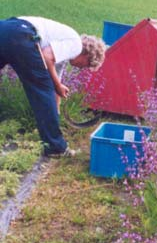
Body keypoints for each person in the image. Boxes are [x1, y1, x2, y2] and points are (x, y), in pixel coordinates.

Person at [0, 16, 106, 156]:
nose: (81, 69)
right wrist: (56, 85)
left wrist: (56, 116)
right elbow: (46, 57)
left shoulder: (61, 54)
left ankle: (53, 135)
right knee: (43, 89)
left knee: (47, 87)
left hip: (6, 28)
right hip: (21, 35)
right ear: (86, 55)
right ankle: (56, 147)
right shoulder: (76, 45)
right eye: (85, 65)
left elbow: (55, 89)